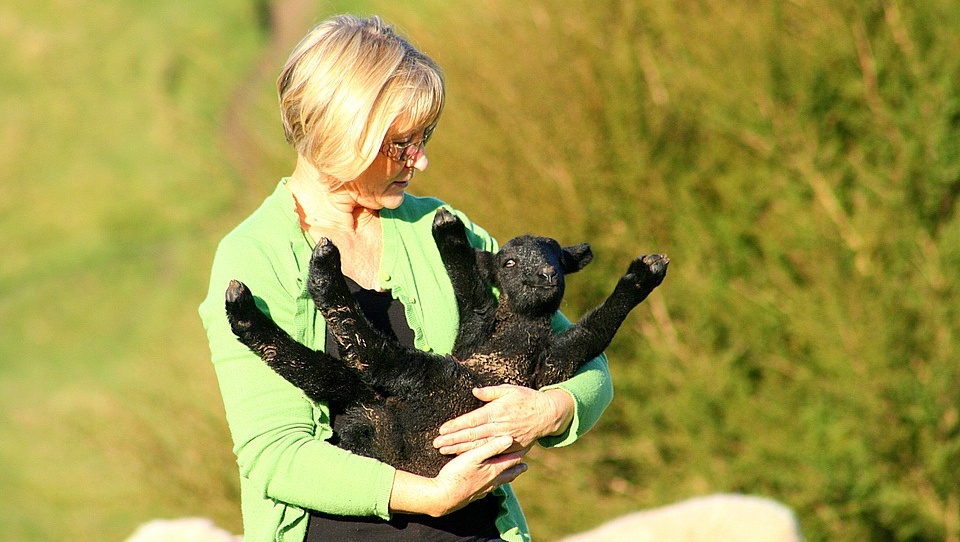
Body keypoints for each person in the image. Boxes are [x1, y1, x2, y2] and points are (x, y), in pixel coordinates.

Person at [198, 14, 613, 542]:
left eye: (425, 136)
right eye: (401, 142)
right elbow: (275, 454)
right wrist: (431, 496)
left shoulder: (443, 229)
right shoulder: (253, 255)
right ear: (338, 132)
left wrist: (550, 409)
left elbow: (589, 364)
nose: (422, 159)